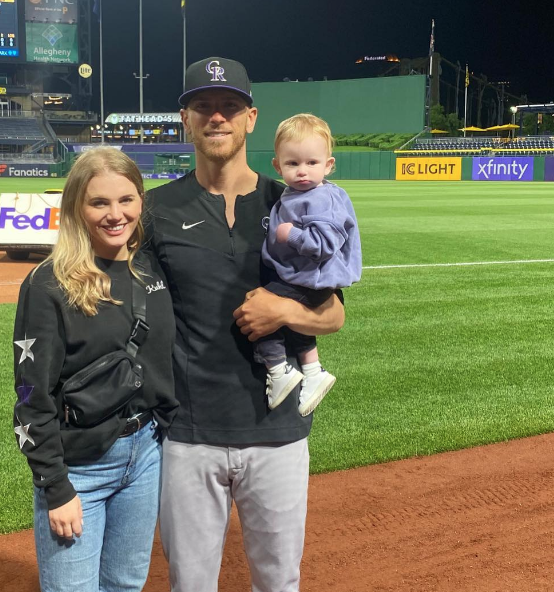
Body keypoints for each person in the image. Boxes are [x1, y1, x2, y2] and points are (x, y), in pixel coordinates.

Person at [146, 57, 346, 592]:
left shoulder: (291, 201)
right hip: (188, 436)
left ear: (250, 117)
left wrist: (284, 311)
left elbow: (334, 312)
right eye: (203, 107)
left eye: (229, 106)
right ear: (184, 118)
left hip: (278, 433)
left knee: (279, 582)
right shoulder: (154, 209)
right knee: (190, 585)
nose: (217, 117)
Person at [12, 147, 178, 592]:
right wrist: (54, 485)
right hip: (79, 467)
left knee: (125, 584)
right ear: (77, 209)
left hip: (146, 456)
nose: (114, 214)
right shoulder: (49, 283)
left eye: (126, 199)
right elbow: (31, 396)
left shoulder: (151, 270)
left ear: (141, 201)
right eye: (98, 202)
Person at [255, 113, 361, 414]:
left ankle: (278, 370)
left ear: (328, 165)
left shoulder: (321, 198)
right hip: (301, 275)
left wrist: (293, 235)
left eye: (311, 163)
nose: (302, 171)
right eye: (292, 164)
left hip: (311, 277)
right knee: (295, 325)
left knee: (260, 310)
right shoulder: (296, 194)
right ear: (277, 166)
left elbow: (326, 244)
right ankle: (313, 373)